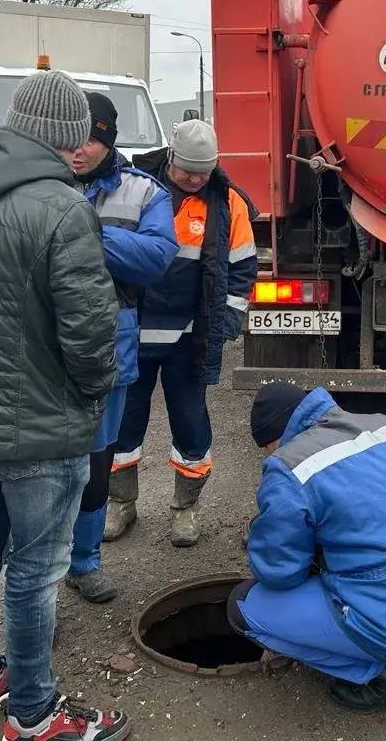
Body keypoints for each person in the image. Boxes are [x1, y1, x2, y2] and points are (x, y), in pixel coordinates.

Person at [0, 69, 130, 741]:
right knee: (37, 571)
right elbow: (91, 331)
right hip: (43, 427)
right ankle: (35, 715)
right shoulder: (63, 209)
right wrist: (91, 392)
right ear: (68, 137)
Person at [227, 382, 386, 712]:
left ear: (275, 438)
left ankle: (383, 671)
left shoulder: (289, 467)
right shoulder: (382, 425)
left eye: (267, 447)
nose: (269, 454)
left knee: (243, 608)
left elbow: (279, 573)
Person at [104, 119, 258, 547]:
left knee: (191, 424)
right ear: (170, 157)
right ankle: (121, 504)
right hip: (131, 333)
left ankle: (186, 508)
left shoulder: (228, 204)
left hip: (189, 338)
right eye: (187, 170)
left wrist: (225, 323)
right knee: (122, 423)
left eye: (203, 173)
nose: (194, 180)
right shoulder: (135, 189)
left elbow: (243, 267)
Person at [65, 92, 177, 603]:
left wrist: (84, 235)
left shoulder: (143, 193)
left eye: (92, 138)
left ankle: (85, 563)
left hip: (111, 350)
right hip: (46, 352)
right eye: (73, 137)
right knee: (43, 469)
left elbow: (157, 257)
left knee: (95, 465)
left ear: (108, 140)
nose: (79, 150)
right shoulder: (39, 185)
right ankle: (41, 571)